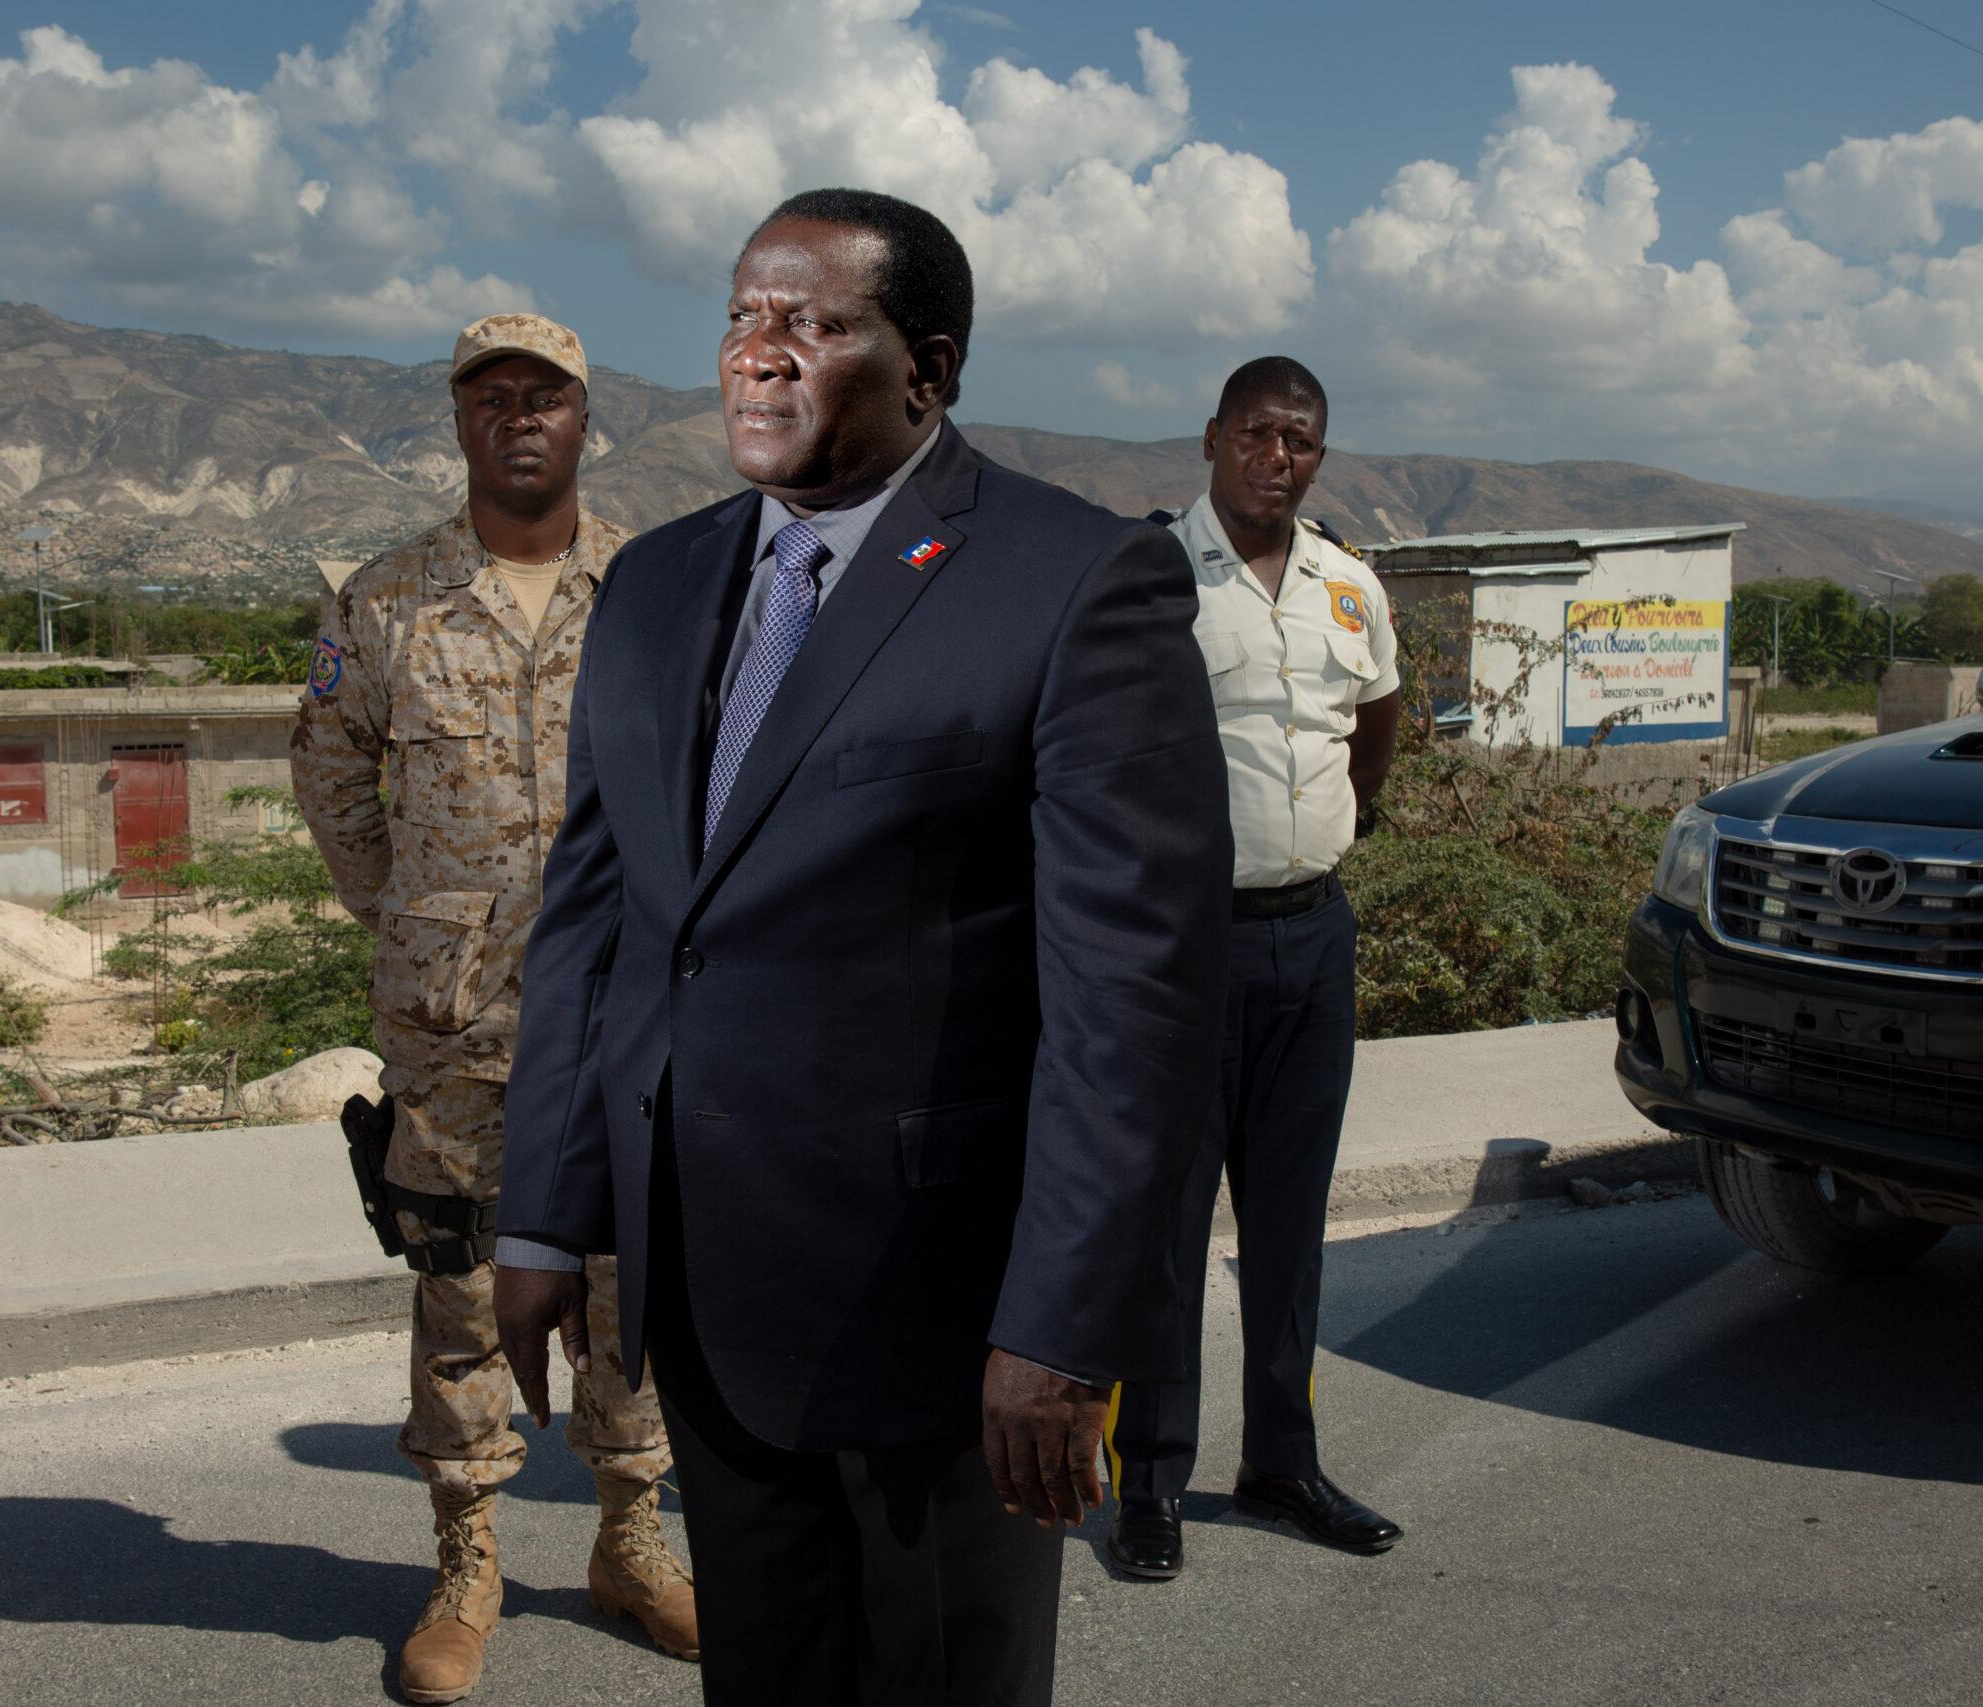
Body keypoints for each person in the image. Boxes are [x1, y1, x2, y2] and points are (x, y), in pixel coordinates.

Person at [493, 189, 1231, 1707]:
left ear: (928, 369)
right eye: (742, 318)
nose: (761, 356)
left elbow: (1133, 996)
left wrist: (1061, 1325)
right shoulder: (653, 585)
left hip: (945, 1328)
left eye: (815, 324)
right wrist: (543, 1217)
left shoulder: (1076, 580)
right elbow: (599, 922)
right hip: (709, 1297)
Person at [291, 312, 698, 1705]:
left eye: (547, 396)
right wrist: (420, 918)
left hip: (629, 1008)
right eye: (492, 396)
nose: (520, 415)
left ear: (587, 418)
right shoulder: (387, 599)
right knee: (460, 1283)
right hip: (455, 1022)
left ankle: (631, 1541)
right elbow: (334, 779)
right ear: (460, 422)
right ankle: (467, 1562)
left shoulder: (658, 589)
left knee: (629, 1279)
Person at [1103, 356, 1407, 1583]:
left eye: (1298, 442)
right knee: (1166, 1227)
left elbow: (1377, 722)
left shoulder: (1350, 584)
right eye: (1257, 435)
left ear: (1316, 458)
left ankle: (1281, 1459)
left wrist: (1344, 822)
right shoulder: (1152, 574)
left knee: (1290, 1226)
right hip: (1188, 947)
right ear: (1213, 439)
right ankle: (1149, 1480)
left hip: (1312, 940)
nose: (1276, 458)